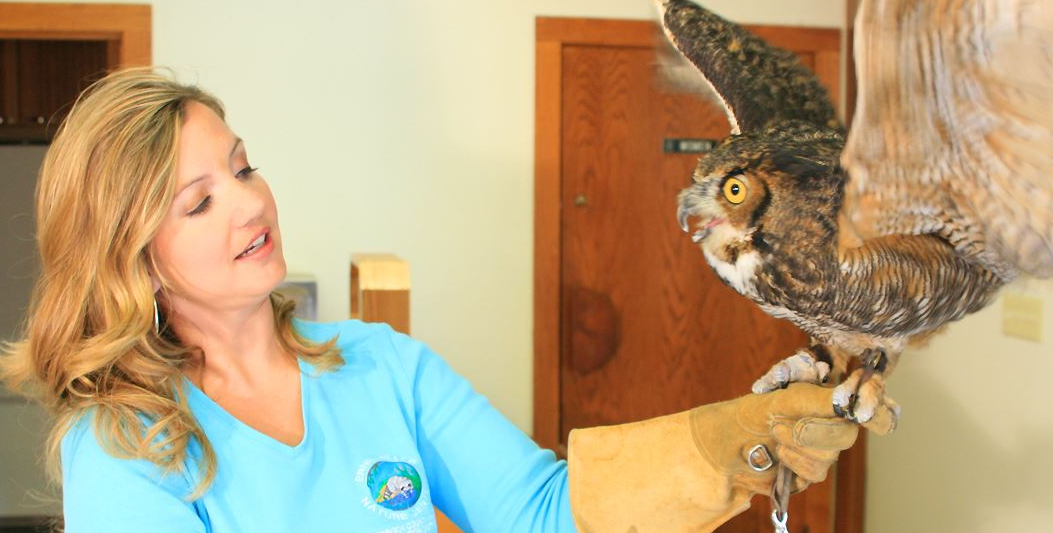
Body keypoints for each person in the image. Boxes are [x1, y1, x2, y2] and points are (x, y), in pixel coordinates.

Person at [0, 68, 890, 533]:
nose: (250, 202)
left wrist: (723, 443)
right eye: (199, 202)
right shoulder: (125, 441)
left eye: (242, 166)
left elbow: (543, 514)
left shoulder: (379, 365)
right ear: (135, 259)